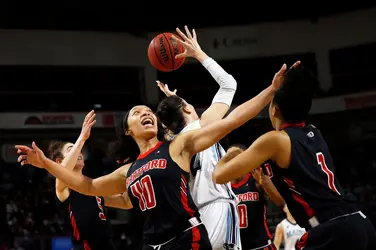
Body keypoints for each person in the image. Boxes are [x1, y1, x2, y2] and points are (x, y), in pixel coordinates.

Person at [15, 27, 286, 250]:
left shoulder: (178, 144)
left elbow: (234, 118)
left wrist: (270, 91)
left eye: (149, 111)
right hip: (155, 242)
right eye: (137, 112)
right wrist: (46, 165)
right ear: (128, 130)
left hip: (192, 231)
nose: (146, 113)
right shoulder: (129, 170)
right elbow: (88, 186)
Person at [212, 64, 376, 250]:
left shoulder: (275, 140)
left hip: (332, 230)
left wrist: (229, 154)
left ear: (274, 110)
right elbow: (283, 201)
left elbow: (219, 175)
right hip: (358, 221)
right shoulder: (314, 133)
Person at [156, 25, 240, 250]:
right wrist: (199, 54)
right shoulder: (205, 125)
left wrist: (173, 102)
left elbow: (178, 122)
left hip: (194, 219)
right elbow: (229, 85)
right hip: (219, 207)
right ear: (185, 109)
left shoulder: (172, 144)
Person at [51, 111, 132, 250]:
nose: (79, 152)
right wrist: (82, 137)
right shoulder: (63, 187)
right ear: (59, 162)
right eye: (72, 150)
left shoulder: (94, 185)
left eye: (80, 150)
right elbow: (62, 173)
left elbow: (125, 202)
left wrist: (130, 169)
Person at [218, 144, 284, 250]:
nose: (234, 160)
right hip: (234, 246)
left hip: (260, 245)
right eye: (230, 157)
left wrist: (264, 183)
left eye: (237, 156)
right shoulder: (221, 186)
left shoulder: (256, 180)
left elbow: (280, 201)